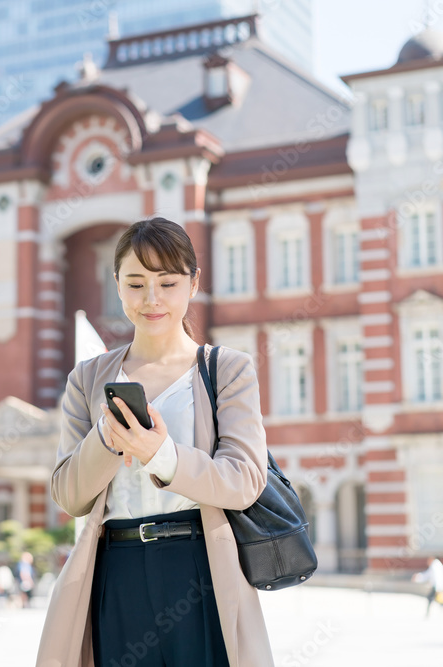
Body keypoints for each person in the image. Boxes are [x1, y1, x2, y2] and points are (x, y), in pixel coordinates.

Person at [36, 218, 274, 667]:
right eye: (136, 283)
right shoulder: (88, 379)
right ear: (117, 286)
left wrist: (159, 455)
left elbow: (244, 480)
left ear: (193, 283)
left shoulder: (227, 370)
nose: (152, 298)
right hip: (116, 568)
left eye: (167, 282)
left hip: (200, 565)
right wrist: (108, 438)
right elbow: (69, 494)